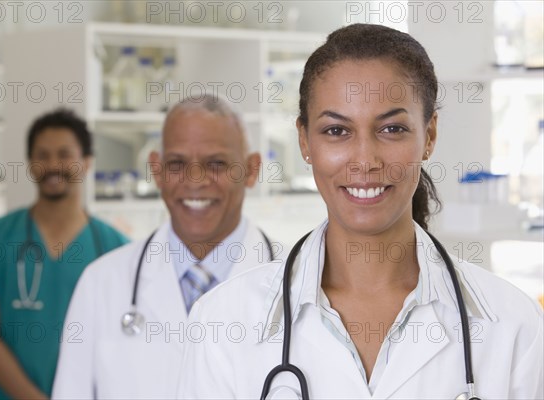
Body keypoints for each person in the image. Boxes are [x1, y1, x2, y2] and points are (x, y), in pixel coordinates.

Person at [177, 24, 543, 399]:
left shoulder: (513, 326)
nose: (365, 160)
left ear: (429, 136)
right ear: (305, 141)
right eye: (336, 131)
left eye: (392, 129)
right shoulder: (221, 322)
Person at [52, 94, 281, 399]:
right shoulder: (101, 284)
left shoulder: (300, 283)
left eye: (216, 163)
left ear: (251, 170)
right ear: (157, 171)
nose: (195, 180)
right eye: (177, 163)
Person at [0, 109, 129, 399]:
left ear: (86, 163)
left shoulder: (115, 248)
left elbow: (118, 342)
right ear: (30, 163)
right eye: (42, 155)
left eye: (64, 154)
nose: (52, 165)